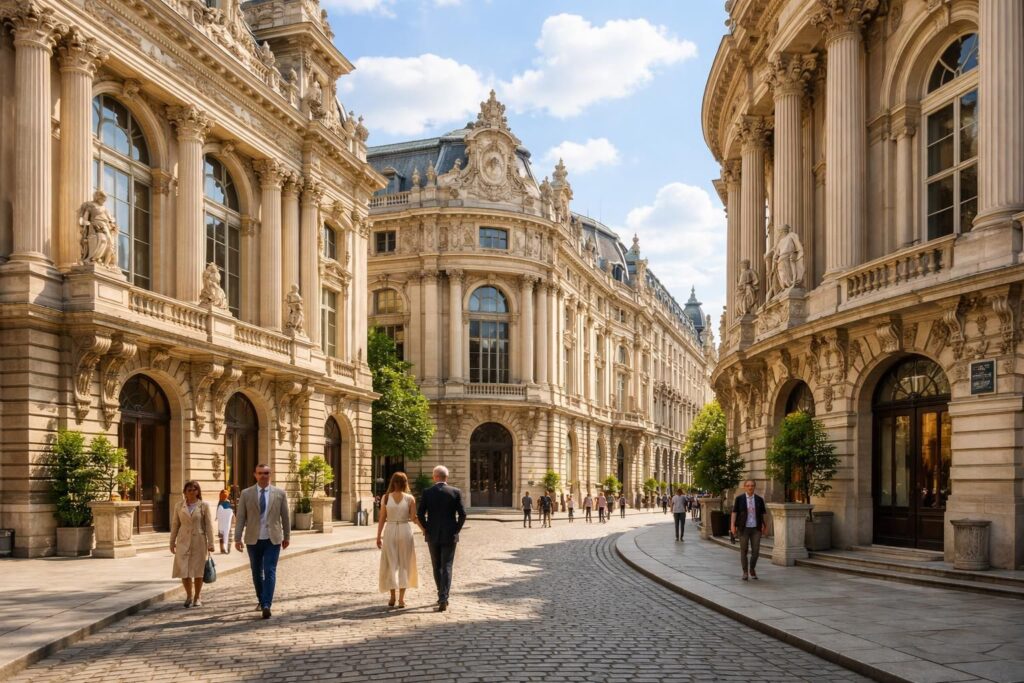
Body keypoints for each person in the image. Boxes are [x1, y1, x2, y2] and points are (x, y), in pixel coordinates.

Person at [235, 464, 290, 619]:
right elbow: (240, 518)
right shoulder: (246, 494)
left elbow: (285, 517)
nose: (263, 476)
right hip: (253, 539)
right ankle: (261, 599)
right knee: (256, 572)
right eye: (260, 473)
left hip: (273, 539)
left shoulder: (280, 493)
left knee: (270, 570)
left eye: (266, 473)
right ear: (255, 475)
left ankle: (267, 604)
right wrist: (237, 538)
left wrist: (287, 537)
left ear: (270, 474)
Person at [417, 465, 466, 612]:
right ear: (446, 477)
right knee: (447, 566)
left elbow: (420, 514)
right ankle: (444, 597)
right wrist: (456, 529)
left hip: (432, 534)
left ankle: (441, 595)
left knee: (436, 566)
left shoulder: (427, 492)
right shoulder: (455, 492)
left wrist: (426, 528)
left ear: (434, 477)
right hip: (450, 534)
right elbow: (463, 514)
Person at [377, 472, 423, 609]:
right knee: (404, 563)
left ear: (392, 482)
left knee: (391, 563)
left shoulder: (385, 498)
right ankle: (401, 599)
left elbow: (382, 518)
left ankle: (392, 597)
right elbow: (414, 518)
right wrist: (424, 529)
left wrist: (378, 536)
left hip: (390, 530)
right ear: (405, 483)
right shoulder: (410, 498)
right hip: (404, 530)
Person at [170, 480, 215, 608]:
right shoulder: (179, 506)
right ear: (184, 492)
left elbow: (209, 526)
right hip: (183, 541)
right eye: (189, 490)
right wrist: (172, 542)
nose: (192, 492)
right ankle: (189, 595)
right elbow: (175, 525)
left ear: (198, 491)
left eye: (194, 489)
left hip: (199, 541)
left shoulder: (203, 506)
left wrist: (211, 543)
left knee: (198, 571)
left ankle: (197, 596)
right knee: (184, 570)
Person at [730, 479, 768, 580]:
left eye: (752, 486)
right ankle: (745, 572)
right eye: (748, 485)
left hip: (756, 528)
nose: (750, 487)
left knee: (756, 551)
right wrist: (732, 525)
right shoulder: (739, 499)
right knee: (744, 551)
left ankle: (752, 568)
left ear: (754, 487)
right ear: (745, 487)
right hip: (743, 528)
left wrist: (764, 525)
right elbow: (734, 513)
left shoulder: (759, 499)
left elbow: (763, 514)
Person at [215, 489, 234, 554]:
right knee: (225, 535)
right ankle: (224, 549)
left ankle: (225, 549)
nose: (224, 497)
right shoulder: (223, 502)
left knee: (224, 535)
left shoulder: (226, 502)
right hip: (224, 522)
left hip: (226, 522)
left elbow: (231, 511)